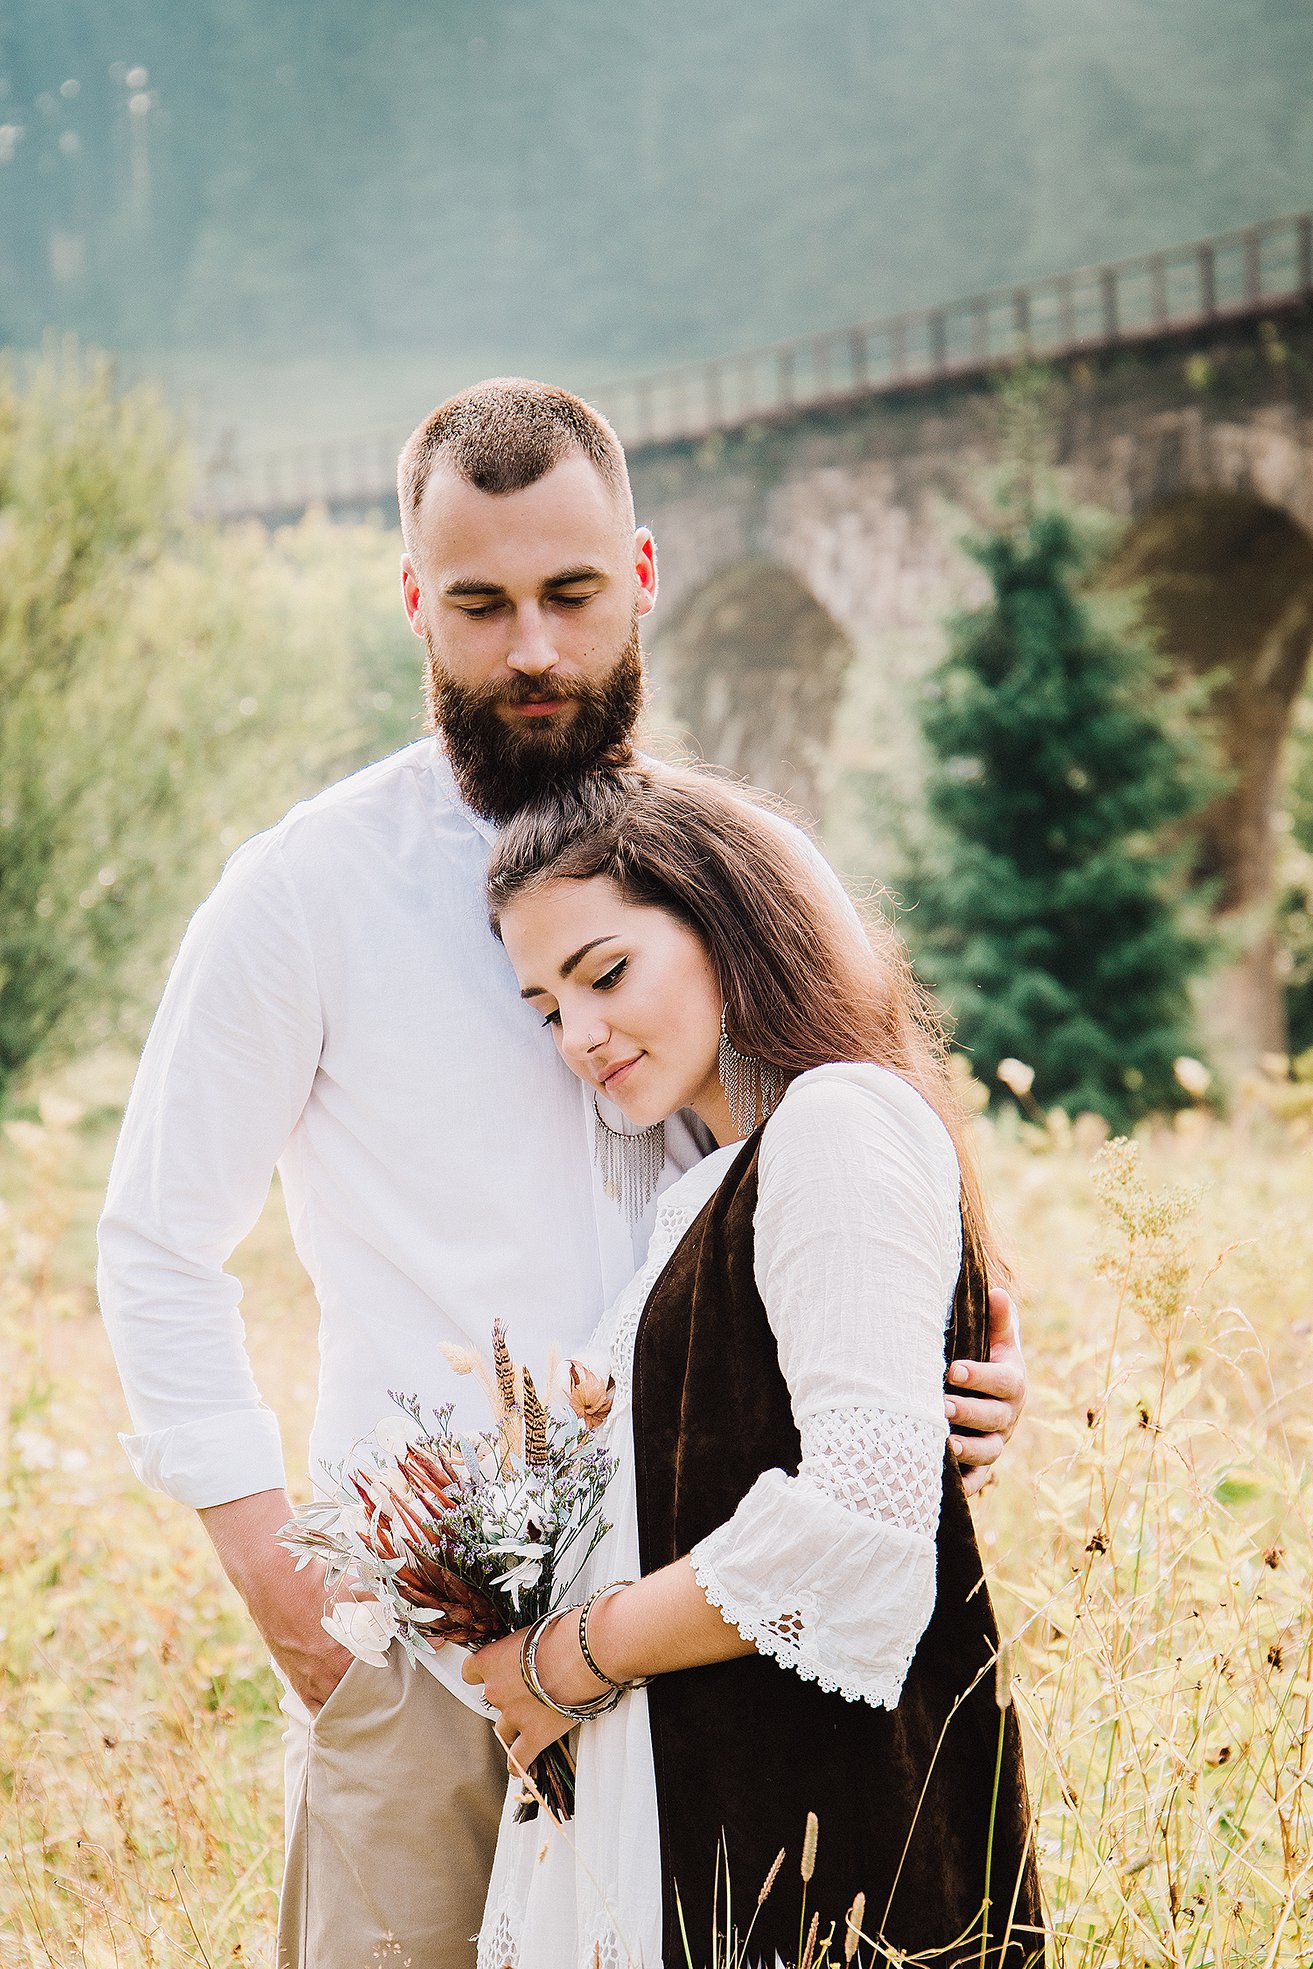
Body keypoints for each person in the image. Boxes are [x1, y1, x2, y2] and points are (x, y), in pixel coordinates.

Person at [97, 379, 1029, 1969]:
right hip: (430, 1643)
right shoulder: (304, 892)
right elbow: (155, 1248)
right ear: (415, 604)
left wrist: (975, 1370)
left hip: (714, 1623)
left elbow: (870, 1156)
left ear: (644, 575)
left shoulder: (750, 872)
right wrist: (304, 1620)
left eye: (571, 594)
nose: (531, 647)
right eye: (481, 603)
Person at [469, 762, 1045, 1969]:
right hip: (713, 1812)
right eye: (544, 1007)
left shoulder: (835, 1123)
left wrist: (563, 1660)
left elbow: (859, 1525)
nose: (578, 1035)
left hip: (826, 1836)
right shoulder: (705, 1188)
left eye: (606, 973)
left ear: (723, 917)